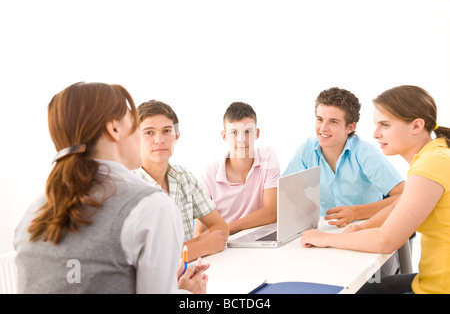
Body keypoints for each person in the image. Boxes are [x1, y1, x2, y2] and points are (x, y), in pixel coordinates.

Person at [14, 82, 208, 294]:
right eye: (135, 125)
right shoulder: (152, 206)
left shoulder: (32, 212)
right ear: (114, 129)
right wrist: (188, 294)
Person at [301, 85, 450, 294]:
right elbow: (399, 204)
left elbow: (386, 241)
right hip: (429, 280)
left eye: (385, 125)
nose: (376, 133)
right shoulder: (434, 155)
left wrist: (324, 238)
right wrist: (363, 227)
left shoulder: (431, 163)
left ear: (416, 126)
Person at [284, 87, 405, 227]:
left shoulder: (365, 153)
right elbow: (289, 185)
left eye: (333, 121)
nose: (323, 128)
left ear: (350, 127)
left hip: (366, 227)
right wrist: (303, 202)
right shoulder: (307, 149)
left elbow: (403, 195)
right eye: (320, 119)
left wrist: (355, 213)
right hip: (328, 228)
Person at [133, 100, 228, 262]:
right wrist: (201, 246)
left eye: (166, 131)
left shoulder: (184, 177)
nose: (159, 139)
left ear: (176, 136)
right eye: (149, 132)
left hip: (190, 275)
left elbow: (221, 228)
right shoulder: (128, 188)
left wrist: (183, 251)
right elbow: (145, 259)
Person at [198, 102, 280, 235]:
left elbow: (272, 212)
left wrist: (227, 228)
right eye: (234, 132)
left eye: (248, 131)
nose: (241, 139)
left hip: (257, 238)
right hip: (225, 244)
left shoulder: (268, 157)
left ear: (257, 133)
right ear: (224, 136)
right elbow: (200, 232)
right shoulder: (208, 175)